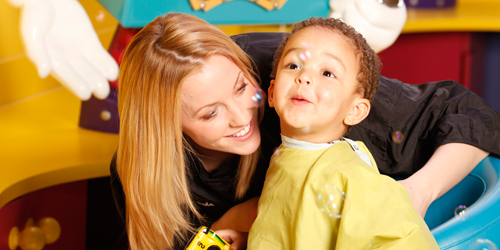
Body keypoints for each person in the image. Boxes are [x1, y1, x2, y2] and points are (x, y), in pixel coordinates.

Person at [110, 12, 500, 250]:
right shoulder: (144, 172)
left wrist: (413, 194)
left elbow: (467, 113)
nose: (241, 116)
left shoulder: (295, 77)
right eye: (211, 113)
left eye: (244, 88)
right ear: (168, 130)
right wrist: (248, 227)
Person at [246, 17, 438, 249]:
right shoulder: (287, 156)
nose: (304, 77)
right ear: (273, 92)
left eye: (327, 73)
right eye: (294, 65)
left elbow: (407, 241)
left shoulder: (349, 176)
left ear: (355, 110)